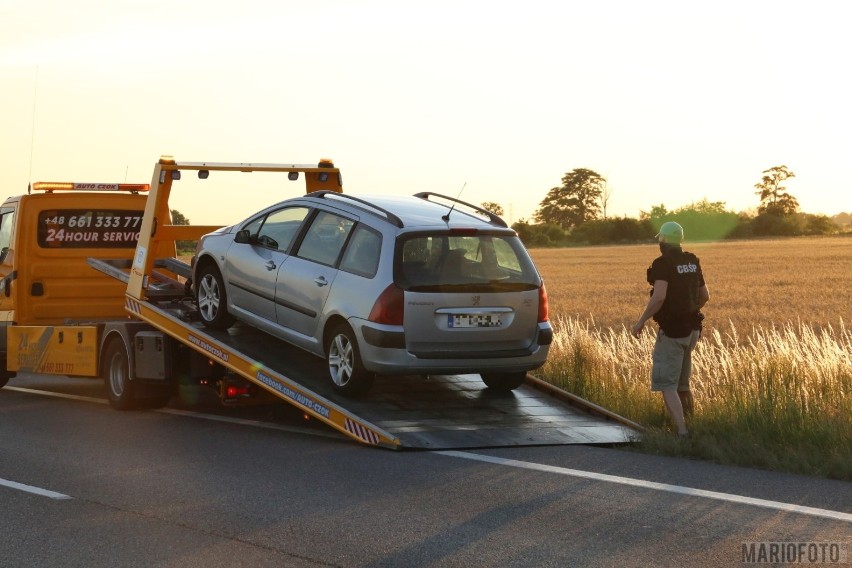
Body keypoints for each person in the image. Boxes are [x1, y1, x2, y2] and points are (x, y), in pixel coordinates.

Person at [631, 221, 709, 437]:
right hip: (692, 330)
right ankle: (692, 427)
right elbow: (705, 296)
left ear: (663, 240)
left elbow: (660, 296)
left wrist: (641, 321)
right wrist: (688, 312)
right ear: (681, 240)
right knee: (683, 385)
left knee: (667, 384)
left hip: (673, 332)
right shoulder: (692, 261)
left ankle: (682, 432)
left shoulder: (662, 264)